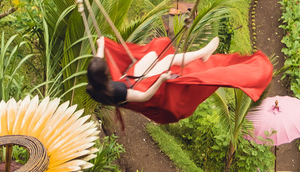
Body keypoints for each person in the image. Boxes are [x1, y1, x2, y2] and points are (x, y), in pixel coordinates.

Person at [85, 32, 274, 127]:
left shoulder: (92, 87)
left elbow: (98, 60)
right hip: (144, 92)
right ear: (103, 77)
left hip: (129, 80)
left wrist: (101, 44)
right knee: (166, 59)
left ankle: (202, 53)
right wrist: (161, 79)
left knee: (154, 53)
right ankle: (203, 53)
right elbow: (143, 97)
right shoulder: (117, 91)